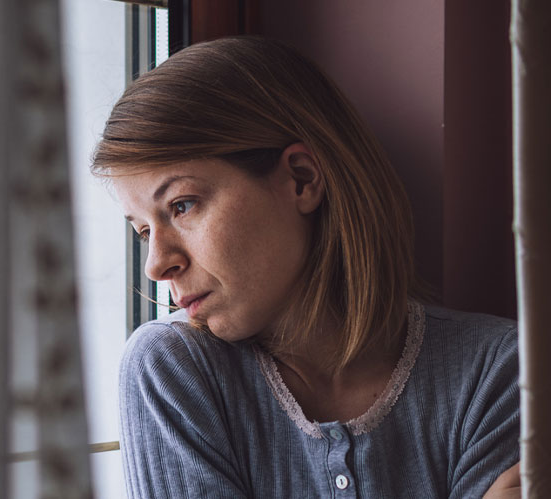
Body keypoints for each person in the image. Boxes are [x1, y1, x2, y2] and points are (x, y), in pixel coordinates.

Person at [93, 36, 520, 498]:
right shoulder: (174, 372)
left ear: (301, 179)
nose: (156, 264)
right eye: (142, 231)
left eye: (182, 205)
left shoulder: (498, 371)